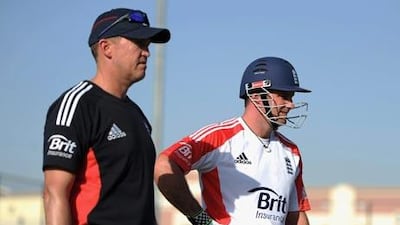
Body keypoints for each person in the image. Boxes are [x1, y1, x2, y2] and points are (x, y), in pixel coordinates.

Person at [42, 7, 170, 225]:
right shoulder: (77, 105)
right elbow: (55, 194)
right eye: (139, 44)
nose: (147, 52)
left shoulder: (137, 115)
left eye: (147, 46)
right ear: (106, 48)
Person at [154, 56, 312, 225]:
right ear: (257, 95)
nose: (291, 105)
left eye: (292, 97)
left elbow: (296, 216)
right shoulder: (219, 136)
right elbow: (164, 165)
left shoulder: (291, 151)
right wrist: (201, 220)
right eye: (284, 96)